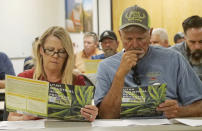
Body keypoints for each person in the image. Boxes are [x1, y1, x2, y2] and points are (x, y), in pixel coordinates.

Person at [94, 5, 202, 119]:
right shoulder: (106, 66)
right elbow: (106, 115)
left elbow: (199, 105)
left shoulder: (174, 59)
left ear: (150, 33)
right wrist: (120, 75)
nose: (135, 45)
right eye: (129, 39)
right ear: (120, 35)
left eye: (141, 38)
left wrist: (179, 112)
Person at [7, 26, 98, 121]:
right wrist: (25, 119)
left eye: (61, 51)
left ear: (67, 54)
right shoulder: (24, 78)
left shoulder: (76, 80)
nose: (55, 56)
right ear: (41, 50)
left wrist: (90, 115)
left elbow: (84, 119)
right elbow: (11, 119)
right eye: (50, 50)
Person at [170, 15, 202, 81]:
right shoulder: (172, 54)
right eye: (192, 42)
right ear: (184, 38)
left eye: (201, 42)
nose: (197, 46)